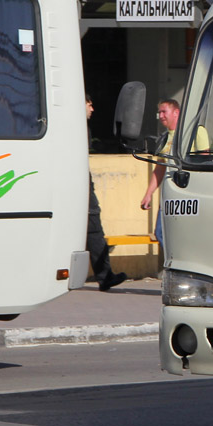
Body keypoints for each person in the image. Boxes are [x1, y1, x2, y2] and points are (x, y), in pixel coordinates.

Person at [140, 98, 210, 245]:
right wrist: (148, 194)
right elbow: (159, 169)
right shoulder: (164, 138)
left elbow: (205, 162)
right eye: (159, 112)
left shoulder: (195, 131)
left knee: (188, 235)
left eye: (164, 112)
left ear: (176, 112)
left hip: (190, 195)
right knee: (161, 233)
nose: (161, 116)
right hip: (169, 195)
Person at [86, 95, 126, 292]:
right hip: (80, 185)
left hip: (79, 183)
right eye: (89, 104)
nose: (92, 109)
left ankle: (105, 275)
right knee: (93, 229)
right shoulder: (77, 127)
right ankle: (105, 276)